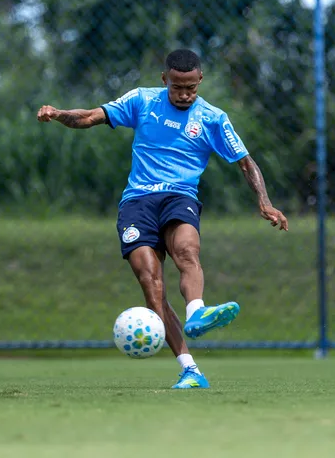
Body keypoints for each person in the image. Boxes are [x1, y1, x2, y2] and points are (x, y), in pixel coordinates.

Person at [37, 49, 288, 389]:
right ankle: (190, 369)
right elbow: (91, 117)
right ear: (164, 79)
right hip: (137, 202)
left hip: (179, 196)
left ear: (200, 81)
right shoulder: (142, 101)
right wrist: (58, 114)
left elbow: (246, 162)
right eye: (177, 87)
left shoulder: (213, 118)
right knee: (151, 283)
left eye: (191, 88)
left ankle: (197, 311)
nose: (184, 95)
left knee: (186, 250)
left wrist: (265, 202)